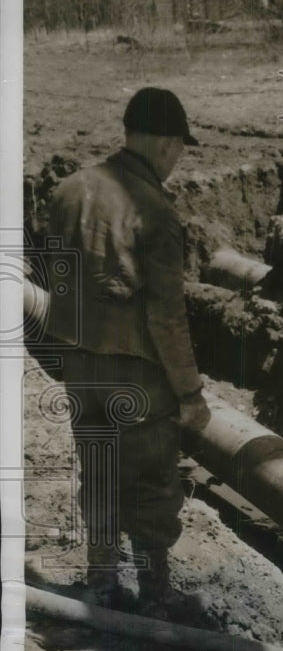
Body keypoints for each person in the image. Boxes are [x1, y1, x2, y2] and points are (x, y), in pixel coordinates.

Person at [45, 87, 211, 612]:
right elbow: (167, 317)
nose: (178, 159)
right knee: (150, 480)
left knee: (96, 470)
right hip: (136, 374)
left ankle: (100, 582)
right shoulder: (155, 212)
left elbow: (51, 276)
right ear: (165, 144)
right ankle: (157, 592)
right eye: (179, 148)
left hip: (79, 365)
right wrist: (189, 392)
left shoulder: (65, 192)